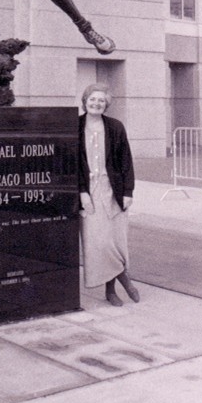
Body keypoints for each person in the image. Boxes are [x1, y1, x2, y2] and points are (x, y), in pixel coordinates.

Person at [78, 83, 140, 307]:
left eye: (101, 101)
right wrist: (82, 193)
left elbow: (126, 160)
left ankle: (110, 290)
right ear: (85, 101)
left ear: (106, 105)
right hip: (89, 194)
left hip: (112, 191)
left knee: (116, 242)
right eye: (92, 99)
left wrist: (128, 192)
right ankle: (124, 277)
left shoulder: (115, 127)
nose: (96, 104)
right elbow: (72, 164)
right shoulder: (75, 126)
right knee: (99, 243)